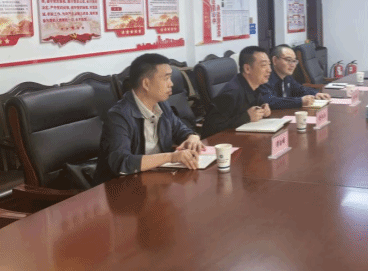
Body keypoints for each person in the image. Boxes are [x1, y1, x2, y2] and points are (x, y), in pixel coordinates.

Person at [95, 53, 204, 184]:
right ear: (146, 84)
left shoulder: (161, 105)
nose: (171, 84)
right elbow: (122, 162)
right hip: (122, 187)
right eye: (166, 78)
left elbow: (180, 130)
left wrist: (192, 137)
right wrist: (171, 157)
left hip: (155, 180)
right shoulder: (119, 116)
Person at [200, 46, 272, 138]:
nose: (269, 70)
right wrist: (246, 117)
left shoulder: (255, 86)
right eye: (264, 65)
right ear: (247, 69)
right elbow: (210, 130)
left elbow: (258, 105)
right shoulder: (230, 94)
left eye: (269, 64)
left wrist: (264, 108)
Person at [259, 44, 331, 109]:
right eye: (288, 60)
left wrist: (316, 94)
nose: (293, 65)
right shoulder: (265, 78)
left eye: (294, 61)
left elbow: (300, 89)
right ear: (274, 60)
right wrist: (300, 101)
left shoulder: (287, 77)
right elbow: (270, 101)